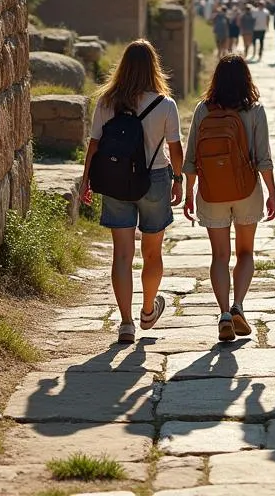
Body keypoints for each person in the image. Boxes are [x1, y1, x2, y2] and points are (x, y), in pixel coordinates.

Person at [81, 39, 184, 343]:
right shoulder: (165, 104)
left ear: (123, 66)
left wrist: (86, 179)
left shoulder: (107, 102)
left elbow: (95, 144)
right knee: (152, 253)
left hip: (115, 181)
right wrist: (179, 179)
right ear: (155, 67)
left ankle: (126, 323)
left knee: (122, 254)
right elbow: (175, 148)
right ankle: (148, 310)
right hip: (154, 179)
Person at [183, 55, 275, 342]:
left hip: (212, 191)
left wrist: (189, 193)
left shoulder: (203, 109)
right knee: (245, 253)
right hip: (246, 189)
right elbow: (264, 159)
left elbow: (190, 158)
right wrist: (272, 193)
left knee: (219, 256)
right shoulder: (254, 110)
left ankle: (224, 313)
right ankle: (238, 306)